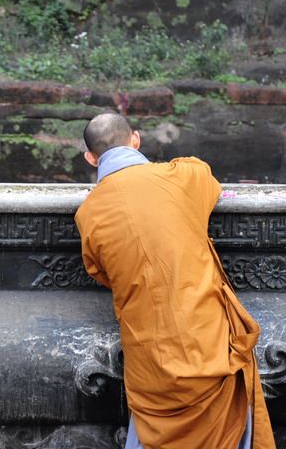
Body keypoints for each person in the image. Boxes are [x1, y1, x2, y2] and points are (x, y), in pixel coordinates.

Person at [74, 113, 275, 449]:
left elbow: (101, 272)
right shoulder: (178, 177)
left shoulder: (89, 213)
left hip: (150, 358)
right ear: (136, 140)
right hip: (206, 342)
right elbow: (204, 174)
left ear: (90, 158)